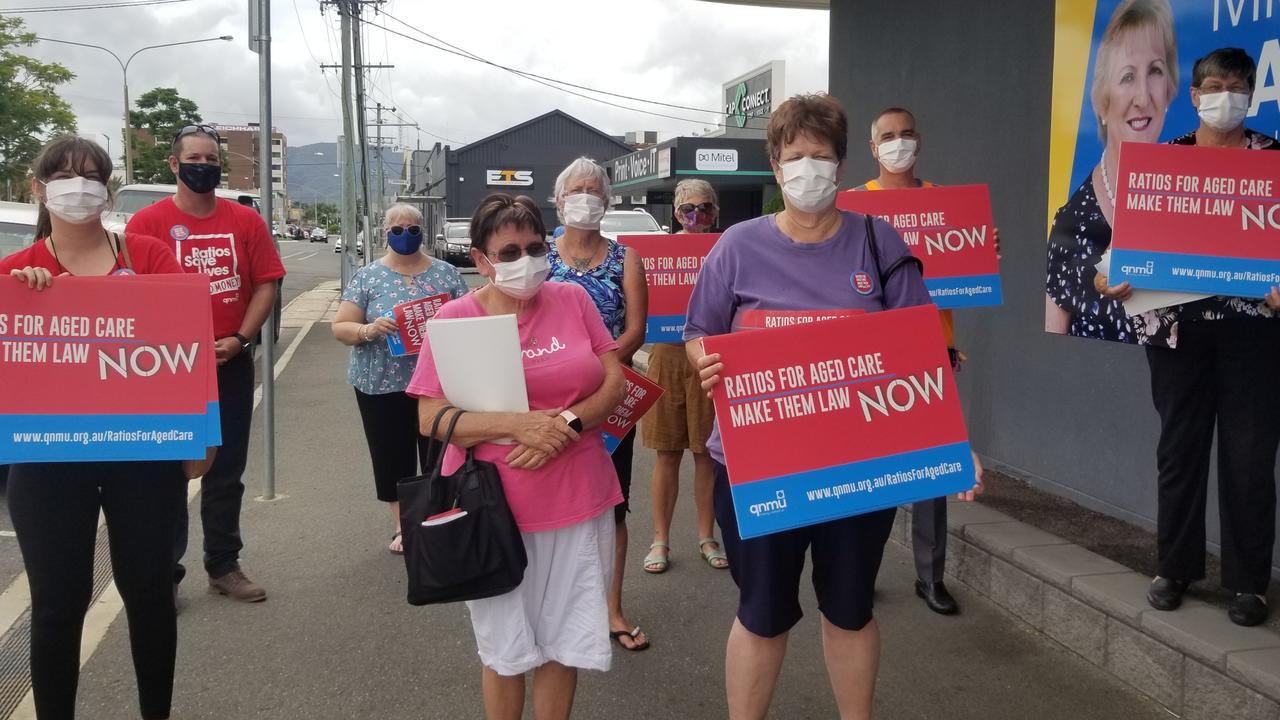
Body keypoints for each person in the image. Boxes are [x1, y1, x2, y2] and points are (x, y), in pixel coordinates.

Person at [685, 93, 979, 720]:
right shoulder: (735, 246)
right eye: (795, 157)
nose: (808, 169)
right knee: (761, 615)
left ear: (841, 165)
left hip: (856, 470)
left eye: (821, 156)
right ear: (775, 165)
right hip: (757, 468)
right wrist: (703, 361)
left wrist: (956, 445)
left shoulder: (878, 240)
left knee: (849, 610)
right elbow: (696, 333)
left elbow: (920, 349)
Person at [407, 193, 625, 720]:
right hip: (493, 510)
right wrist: (518, 425)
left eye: (534, 246)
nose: (525, 260)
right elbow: (430, 416)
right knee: (505, 652)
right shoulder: (456, 319)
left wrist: (568, 424)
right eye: (508, 252)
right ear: (480, 259)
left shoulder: (573, 301)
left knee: (565, 644)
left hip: (579, 498)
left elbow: (615, 380)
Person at [1, 135, 195, 720]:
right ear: (39, 188)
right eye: (62, 175)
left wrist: (199, 437)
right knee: (58, 604)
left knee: (150, 595)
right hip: (47, 459)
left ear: (108, 188)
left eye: (90, 175)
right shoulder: (14, 273)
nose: (77, 186)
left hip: (144, 454)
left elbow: (184, 349)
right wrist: (27, 302)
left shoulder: (150, 257)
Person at [1096, 48, 1280, 627]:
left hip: (1256, 333)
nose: (1224, 94)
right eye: (1213, 85)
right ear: (1195, 95)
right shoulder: (1162, 163)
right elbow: (1120, 247)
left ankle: (1249, 583)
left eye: (1236, 85)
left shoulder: (1275, 161)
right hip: (1177, 332)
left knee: (1250, 458)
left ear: (1251, 95)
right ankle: (1173, 567)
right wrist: (1109, 276)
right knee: (1179, 451)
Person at [127, 124, 286, 603]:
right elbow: (130, 295)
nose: (204, 166)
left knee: (226, 469)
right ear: (174, 165)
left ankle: (223, 564)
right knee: (169, 470)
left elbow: (266, 285)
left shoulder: (245, 222)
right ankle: (165, 573)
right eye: (194, 158)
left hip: (230, 362)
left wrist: (240, 338)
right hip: (168, 367)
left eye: (212, 159)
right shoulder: (147, 224)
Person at [848, 106, 970, 616]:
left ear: (919, 140)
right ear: (873, 149)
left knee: (931, 473)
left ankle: (930, 577)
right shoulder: (851, 206)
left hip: (928, 353)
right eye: (887, 137)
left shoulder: (947, 204)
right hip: (865, 356)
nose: (898, 144)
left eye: (906, 134)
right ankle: (857, 574)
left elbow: (962, 277)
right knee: (865, 474)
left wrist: (980, 254)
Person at [546, 157, 652, 651]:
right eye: (575, 189)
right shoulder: (539, 255)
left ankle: (611, 607)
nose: (585, 197)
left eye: (594, 189)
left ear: (607, 200)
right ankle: (554, 604)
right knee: (546, 499)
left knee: (612, 505)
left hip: (610, 397)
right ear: (559, 199)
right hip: (543, 402)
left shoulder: (625, 258)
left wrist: (599, 371)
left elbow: (634, 329)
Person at [331, 203, 468, 554]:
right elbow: (341, 327)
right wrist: (369, 329)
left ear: (422, 232)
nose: (405, 235)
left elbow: (469, 316)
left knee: (439, 453)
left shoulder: (447, 274)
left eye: (412, 228)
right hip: (380, 383)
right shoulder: (368, 277)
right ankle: (404, 524)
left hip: (438, 384)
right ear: (384, 233)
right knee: (392, 455)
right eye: (397, 229)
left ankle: (438, 516)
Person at [1044, 0, 1177, 342]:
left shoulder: (1195, 203)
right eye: (1127, 77)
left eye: (1156, 71)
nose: (1143, 97)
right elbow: (1052, 353)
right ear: (1103, 102)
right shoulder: (1070, 226)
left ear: (1171, 88)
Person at [641, 178, 726, 574]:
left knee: (706, 454)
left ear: (716, 212)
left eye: (705, 208)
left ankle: (707, 535)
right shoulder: (657, 252)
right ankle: (661, 539)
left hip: (710, 359)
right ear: (675, 213)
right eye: (688, 209)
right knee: (666, 452)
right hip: (667, 357)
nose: (697, 217)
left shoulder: (726, 247)